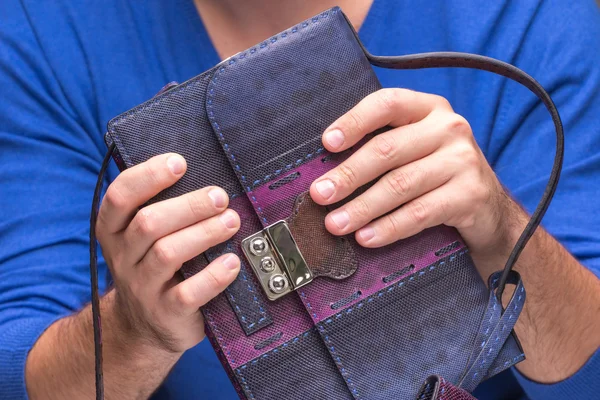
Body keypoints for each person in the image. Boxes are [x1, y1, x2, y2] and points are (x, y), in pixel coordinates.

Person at [1, 0, 599, 399]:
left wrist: (502, 231)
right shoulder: (45, 28)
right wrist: (133, 332)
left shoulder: (535, 16)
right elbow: (13, 359)